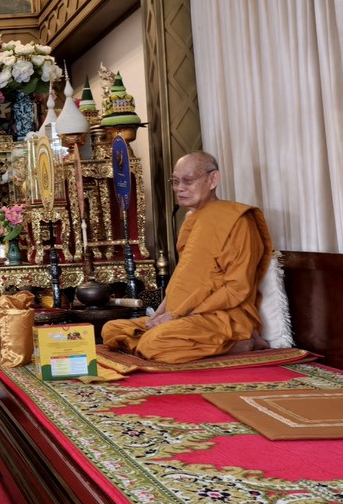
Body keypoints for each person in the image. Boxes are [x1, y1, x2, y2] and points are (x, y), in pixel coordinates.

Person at [101, 151, 273, 364]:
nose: (179, 188)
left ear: (213, 179)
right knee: (112, 329)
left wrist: (176, 316)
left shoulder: (238, 222)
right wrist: (158, 316)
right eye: (175, 181)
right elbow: (183, 281)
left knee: (152, 343)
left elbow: (237, 289)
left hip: (221, 316)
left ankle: (239, 344)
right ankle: (174, 341)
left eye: (188, 181)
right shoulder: (192, 221)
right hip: (183, 315)